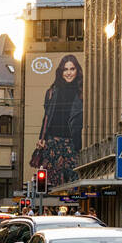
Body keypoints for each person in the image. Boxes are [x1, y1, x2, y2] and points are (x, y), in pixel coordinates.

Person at [31, 54, 84, 184]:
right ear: (61, 72)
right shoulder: (52, 91)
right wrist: (41, 139)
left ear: (77, 70)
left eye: (72, 69)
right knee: (54, 185)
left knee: (74, 182)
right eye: (65, 69)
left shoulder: (83, 92)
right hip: (52, 143)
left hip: (72, 144)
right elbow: (46, 118)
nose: (69, 73)